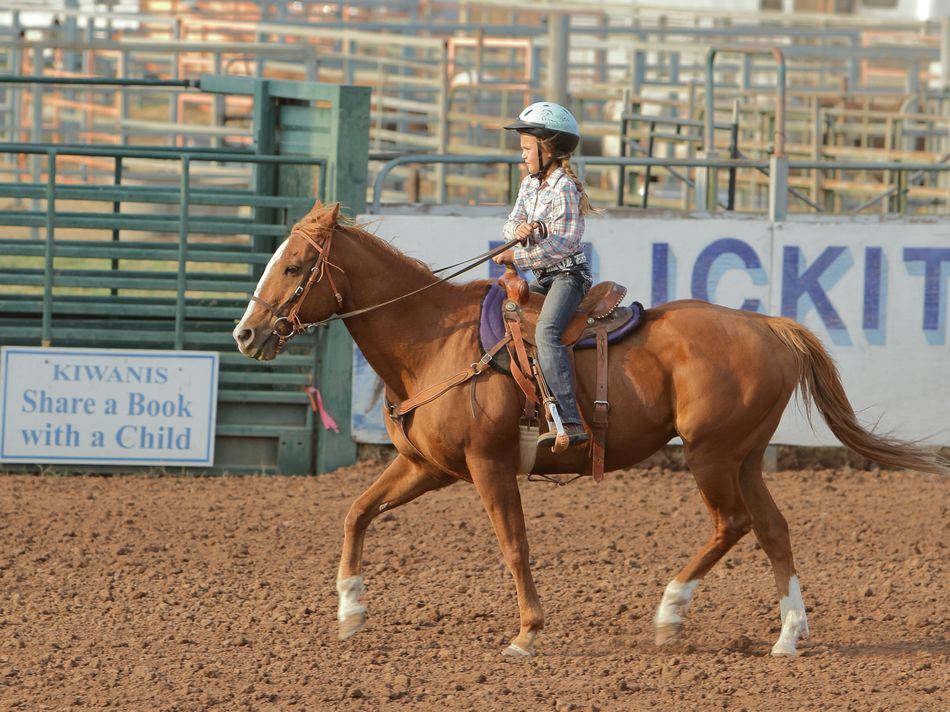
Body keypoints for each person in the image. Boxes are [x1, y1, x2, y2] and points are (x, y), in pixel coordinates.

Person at [492, 102, 595, 449]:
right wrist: (517, 228)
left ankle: (570, 419)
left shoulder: (564, 187)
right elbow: (510, 221)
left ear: (546, 146)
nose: (522, 155)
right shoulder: (530, 185)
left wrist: (516, 254)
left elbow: (563, 245)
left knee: (548, 332)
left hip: (568, 276)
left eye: (525, 148)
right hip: (546, 276)